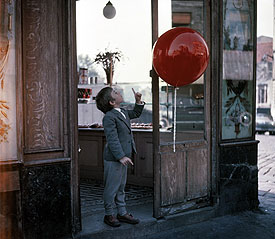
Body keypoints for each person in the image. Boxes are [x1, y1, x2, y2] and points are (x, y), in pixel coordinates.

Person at [95, 87, 145, 227]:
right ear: (112, 102)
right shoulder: (109, 117)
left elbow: (135, 113)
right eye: (115, 93)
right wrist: (120, 156)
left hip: (124, 157)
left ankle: (122, 213)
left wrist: (138, 101)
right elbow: (112, 139)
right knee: (111, 188)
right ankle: (109, 214)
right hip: (115, 158)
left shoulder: (122, 111)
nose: (119, 93)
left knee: (121, 187)